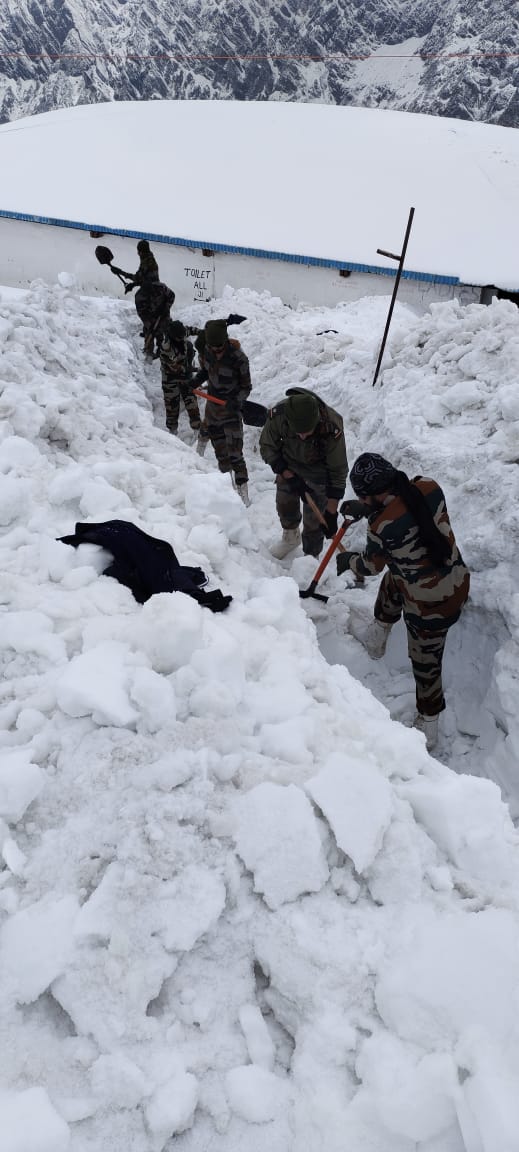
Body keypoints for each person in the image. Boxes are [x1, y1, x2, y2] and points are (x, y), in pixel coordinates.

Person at [336, 452, 470, 751]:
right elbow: (407, 515)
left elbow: (370, 566)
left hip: (431, 606)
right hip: (456, 578)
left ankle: (429, 723)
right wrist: (371, 508)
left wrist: (349, 560)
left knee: (426, 663)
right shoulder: (429, 487)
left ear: (371, 495)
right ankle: (377, 636)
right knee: (396, 577)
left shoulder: (381, 527)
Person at [259, 387, 348, 559]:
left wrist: (331, 512)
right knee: (284, 504)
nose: (302, 437)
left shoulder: (332, 426)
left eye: (307, 432)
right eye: (298, 432)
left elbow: (338, 471)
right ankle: (291, 538)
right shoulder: (279, 416)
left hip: (319, 472)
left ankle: (311, 556)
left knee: (315, 521)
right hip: (290, 464)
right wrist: (287, 474)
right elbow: (267, 446)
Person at [192, 319, 252, 506]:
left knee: (235, 454)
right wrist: (194, 381)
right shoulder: (208, 351)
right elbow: (205, 372)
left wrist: (237, 401)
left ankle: (243, 493)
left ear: (225, 341)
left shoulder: (238, 358)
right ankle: (228, 489)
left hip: (231, 412)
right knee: (221, 454)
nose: (216, 351)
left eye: (219, 347)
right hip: (213, 409)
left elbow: (246, 386)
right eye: (212, 347)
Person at [157, 319, 201, 435]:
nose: (182, 339)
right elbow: (175, 368)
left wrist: (202, 332)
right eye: (179, 338)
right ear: (173, 337)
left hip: (186, 375)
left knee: (191, 401)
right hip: (170, 377)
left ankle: (197, 429)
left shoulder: (181, 332)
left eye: (183, 336)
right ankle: (172, 430)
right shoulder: (166, 347)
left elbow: (191, 330)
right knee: (172, 404)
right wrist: (196, 370)